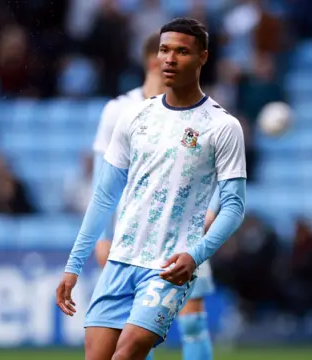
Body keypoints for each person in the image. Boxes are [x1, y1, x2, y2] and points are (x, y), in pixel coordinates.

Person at [56, 18, 247, 360]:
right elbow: (104, 195)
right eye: (164, 50)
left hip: (170, 265)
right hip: (120, 262)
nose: (170, 59)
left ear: (203, 57)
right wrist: (74, 265)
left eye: (182, 51)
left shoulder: (221, 126)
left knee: (128, 351)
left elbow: (233, 206)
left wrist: (196, 255)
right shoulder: (132, 116)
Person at [92, 32, 218, 360]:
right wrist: (102, 234)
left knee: (192, 321)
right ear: (154, 61)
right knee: (133, 327)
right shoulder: (118, 110)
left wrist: (212, 209)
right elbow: (103, 178)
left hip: (183, 233)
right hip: (133, 235)